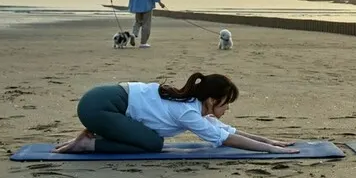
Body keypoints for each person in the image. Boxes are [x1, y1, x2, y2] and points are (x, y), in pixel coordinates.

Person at [53, 72, 299, 154]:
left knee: (147, 140)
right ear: (212, 101)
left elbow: (228, 131)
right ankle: (88, 145)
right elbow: (225, 140)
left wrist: (271, 141)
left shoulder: (195, 106)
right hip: (100, 106)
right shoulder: (188, 113)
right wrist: (272, 151)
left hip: (103, 100)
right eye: (225, 104)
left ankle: (91, 138)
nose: (227, 109)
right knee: (152, 143)